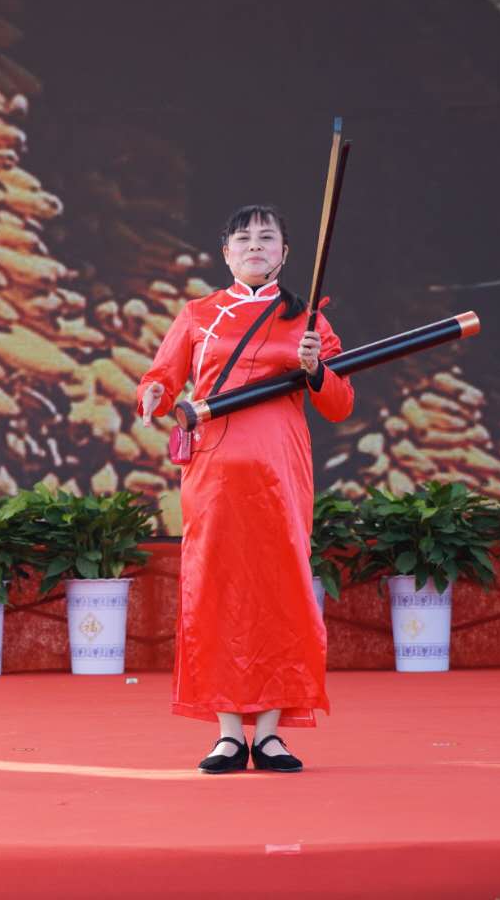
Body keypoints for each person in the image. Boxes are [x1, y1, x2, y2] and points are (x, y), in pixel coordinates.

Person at [134, 204, 354, 773]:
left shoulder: (306, 320)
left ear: (285, 253)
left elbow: (339, 402)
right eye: (244, 238)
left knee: (281, 589)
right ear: (226, 253)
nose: (255, 246)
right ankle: (228, 732)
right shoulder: (198, 314)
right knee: (215, 588)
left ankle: (274, 733)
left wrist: (316, 369)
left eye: (267, 238)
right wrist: (155, 392)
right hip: (213, 473)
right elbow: (162, 373)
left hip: (280, 471)